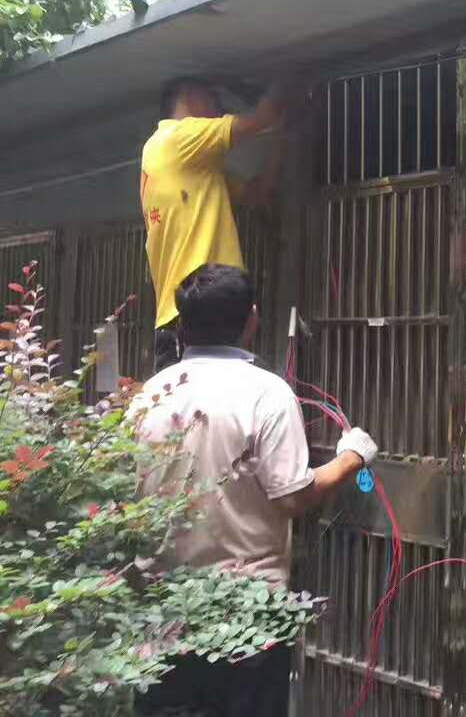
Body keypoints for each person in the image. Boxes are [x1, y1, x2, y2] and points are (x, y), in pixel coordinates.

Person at [130, 263, 377, 716]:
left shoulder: (150, 394)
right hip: (246, 617)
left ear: (182, 326)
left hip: (161, 613)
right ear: (253, 319)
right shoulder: (267, 393)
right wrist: (351, 457)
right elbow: (293, 496)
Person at [141, 77, 293, 373]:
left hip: (193, 312)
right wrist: (292, 78)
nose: (219, 109)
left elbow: (257, 193)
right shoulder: (178, 136)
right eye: (213, 100)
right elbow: (260, 119)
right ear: (190, 97)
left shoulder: (189, 164)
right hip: (194, 309)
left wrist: (281, 136)